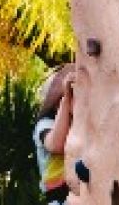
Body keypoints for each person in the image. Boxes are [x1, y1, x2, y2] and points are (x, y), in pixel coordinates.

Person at [34, 64, 75, 201]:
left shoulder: (79, 125)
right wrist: (66, 99)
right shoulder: (45, 124)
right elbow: (56, 144)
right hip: (60, 197)